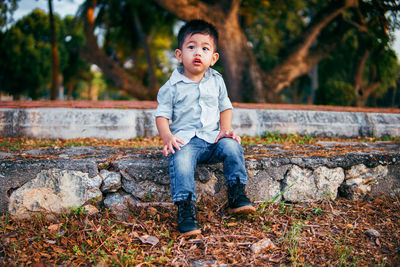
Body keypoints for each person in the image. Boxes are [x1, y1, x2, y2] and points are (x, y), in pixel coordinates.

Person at [154, 19, 255, 236]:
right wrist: (167, 137)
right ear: (180, 54)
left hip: (212, 140)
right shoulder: (171, 87)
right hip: (186, 142)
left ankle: (237, 193)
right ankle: (186, 209)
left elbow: (225, 107)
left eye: (204, 48)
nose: (197, 52)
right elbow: (161, 115)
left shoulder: (217, 81)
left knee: (232, 147)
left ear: (213, 58)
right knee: (180, 160)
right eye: (191, 47)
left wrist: (224, 131)